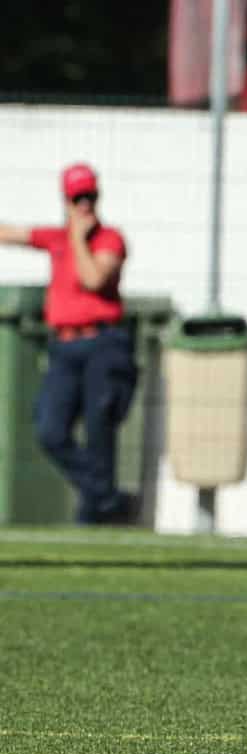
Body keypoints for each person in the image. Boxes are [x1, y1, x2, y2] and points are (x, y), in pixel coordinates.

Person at [0, 163, 136, 524]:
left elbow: (93, 279)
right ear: (66, 201)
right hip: (64, 348)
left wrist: (77, 238)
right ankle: (106, 498)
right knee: (50, 429)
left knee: (98, 428)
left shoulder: (109, 239)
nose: (85, 204)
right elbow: (11, 233)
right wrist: (69, 236)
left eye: (90, 196)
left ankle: (97, 509)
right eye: (78, 198)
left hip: (102, 344)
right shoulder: (55, 238)